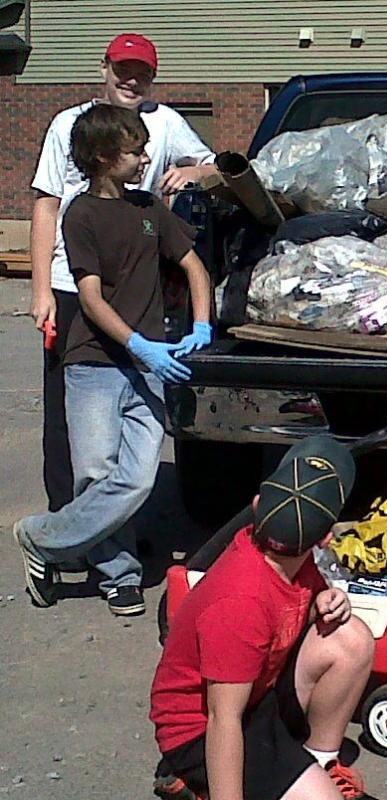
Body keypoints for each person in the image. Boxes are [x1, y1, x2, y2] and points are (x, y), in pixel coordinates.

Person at [13, 104, 213, 616]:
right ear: (103, 158)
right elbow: (92, 298)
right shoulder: (80, 215)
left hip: (146, 367)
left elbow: (194, 267)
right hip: (94, 365)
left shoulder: (150, 211)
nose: (146, 158)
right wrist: (138, 344)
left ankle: (41, 538)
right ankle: (118, 575)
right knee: (98, 476)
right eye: (135, 150)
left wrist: (200, 325)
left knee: (140, 478)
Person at [29, 32, 216, 514]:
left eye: (143, 73)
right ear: (105, 68)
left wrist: (195, 174)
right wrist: (40, 291)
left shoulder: (165, 123)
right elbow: (47, 205)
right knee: (68, 413)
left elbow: (220, 168)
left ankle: (114, 525)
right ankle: (67, 518)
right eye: (123, 69)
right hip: (71, 285)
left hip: (133, 289)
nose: (131, 80)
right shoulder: (69, 124)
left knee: (132, 409)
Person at [150, 436, 375, 800]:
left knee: (351, 638)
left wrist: (328, 597)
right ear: (327, 539)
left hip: (256, 694)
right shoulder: (241, 601)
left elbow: (302, 593)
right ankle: (197, 780)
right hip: (198, 730)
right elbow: (223, 719)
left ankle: (319, 762)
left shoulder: (281, 550)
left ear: (257, 506)